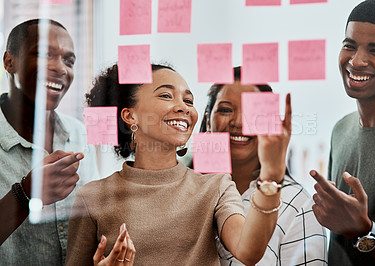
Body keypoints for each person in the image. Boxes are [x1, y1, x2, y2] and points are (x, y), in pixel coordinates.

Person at [65, 63, 291, 265]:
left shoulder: (216, 186)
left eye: (189, 100)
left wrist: (271, 174)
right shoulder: (93, 197)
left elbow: (248, 251)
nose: (184, 107)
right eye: (166, 96)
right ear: (130, 116)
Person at [197, 66, 327, 265]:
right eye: (225, 110)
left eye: (253, 112)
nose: (239, 121)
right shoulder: (188, 189)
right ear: (207, 119)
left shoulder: (297, 204)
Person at [0, 19, 99, 265]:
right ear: (9, 62)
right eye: (45, 54)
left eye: (69, 61)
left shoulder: (79, 133)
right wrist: (24, 195)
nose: (60, 68)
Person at [310, 1, 375, 265]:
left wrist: (365, 230)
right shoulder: (341, 129)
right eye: (349, 45)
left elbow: (355, 229)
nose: (356, 61)